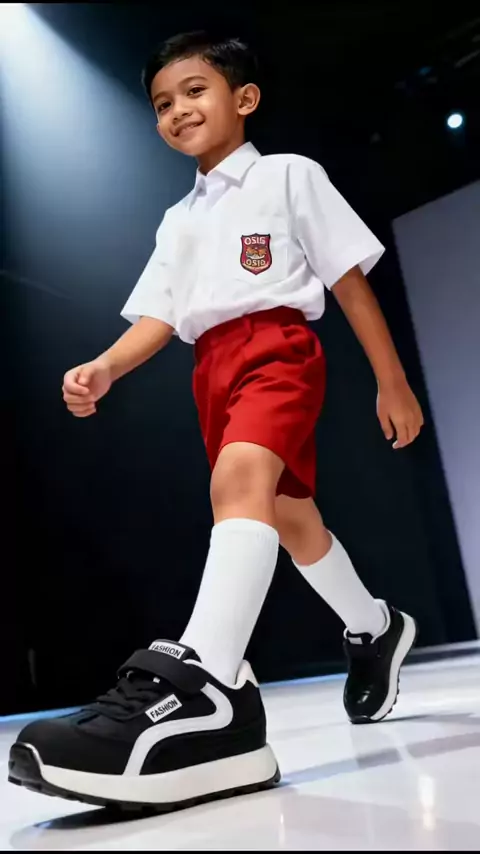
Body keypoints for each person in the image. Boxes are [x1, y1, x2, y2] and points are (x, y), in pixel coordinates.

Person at [9, 31, 423, 812]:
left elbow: (348, 279)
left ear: (244, 97)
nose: (176, 110)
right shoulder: (179, 219)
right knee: (288, 518)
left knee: (237, 485)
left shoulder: (288, 174)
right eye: (162, 102)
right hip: (213, 370)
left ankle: (209, 681)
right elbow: (160, 316)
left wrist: (391, 380)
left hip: (278, 348)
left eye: (194, 90)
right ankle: (374, 627)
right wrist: (106, 365)